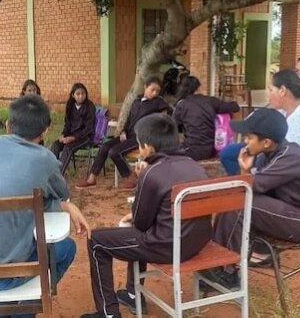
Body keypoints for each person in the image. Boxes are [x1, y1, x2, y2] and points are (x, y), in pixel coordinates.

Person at [0, 95, 90, 318]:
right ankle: (23, 313)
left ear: (8, 124)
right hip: (3, 276)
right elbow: (62, 193)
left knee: (8, 242)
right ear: (45, 131)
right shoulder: (45, 159)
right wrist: (65, 206)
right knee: (66, 248)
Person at [80, 114, 211, 318]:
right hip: (195, 243)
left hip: (167, 247)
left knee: (96, 241)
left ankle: (108, 313)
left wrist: (143, 178)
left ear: (149, 148)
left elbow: (141, 223)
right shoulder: (195, 166)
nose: (139, 151)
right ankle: (133, 294)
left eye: (140, 146)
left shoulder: (152, 173)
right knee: (134, 233)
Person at [207, 108, 300, 289]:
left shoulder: (290, 157)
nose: (245, 142)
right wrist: (245, 171)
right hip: (296, 214)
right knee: (238, 201)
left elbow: (251, 187)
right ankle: (228, 263)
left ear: (266, 142)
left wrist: (245, 175)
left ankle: (225, 272)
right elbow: (254, 187)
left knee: (238, 204)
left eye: (249, 137)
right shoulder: (271, 154)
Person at [220, 69, 300, 174]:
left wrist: (255, 170)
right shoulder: (285, 110)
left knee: (257, 160)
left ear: (282, 91)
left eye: (270, 90)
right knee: (229, 153)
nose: (268, 95)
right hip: (296, 165)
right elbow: (252, 122)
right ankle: (246, 185)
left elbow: (287, 154)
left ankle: (247, 187)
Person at [76, 77, 171, 190]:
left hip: (141, 137)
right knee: (105, 147)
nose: (154, 93)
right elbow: (129, 119)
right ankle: (92, 179)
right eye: (152, 90)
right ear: (145, 87)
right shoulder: (136, 101)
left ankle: (131, 178)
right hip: (129, 134)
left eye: (157, 91)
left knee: (114, 152)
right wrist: (123, 131)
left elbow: (166, 117)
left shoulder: (158, 102)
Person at [172, 75, 239, 161]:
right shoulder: (210, 101)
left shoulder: (181, 104)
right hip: (211, 149)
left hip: (191, 150)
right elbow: (235, 107)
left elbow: (172, 126)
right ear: (198, 88)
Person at [51, 83, 96, 174]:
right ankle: (51, 170)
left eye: (83, 93)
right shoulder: (70, 105)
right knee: (55, 145)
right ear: (73, 95)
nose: (81, 96)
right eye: (78, 94)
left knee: (68, 147)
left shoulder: (90, 106)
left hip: (85, 137)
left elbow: (88, 128)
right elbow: (67, 124)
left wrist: (73, 138)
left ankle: (59, 174)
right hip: (70, 135)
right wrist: (63, 135)